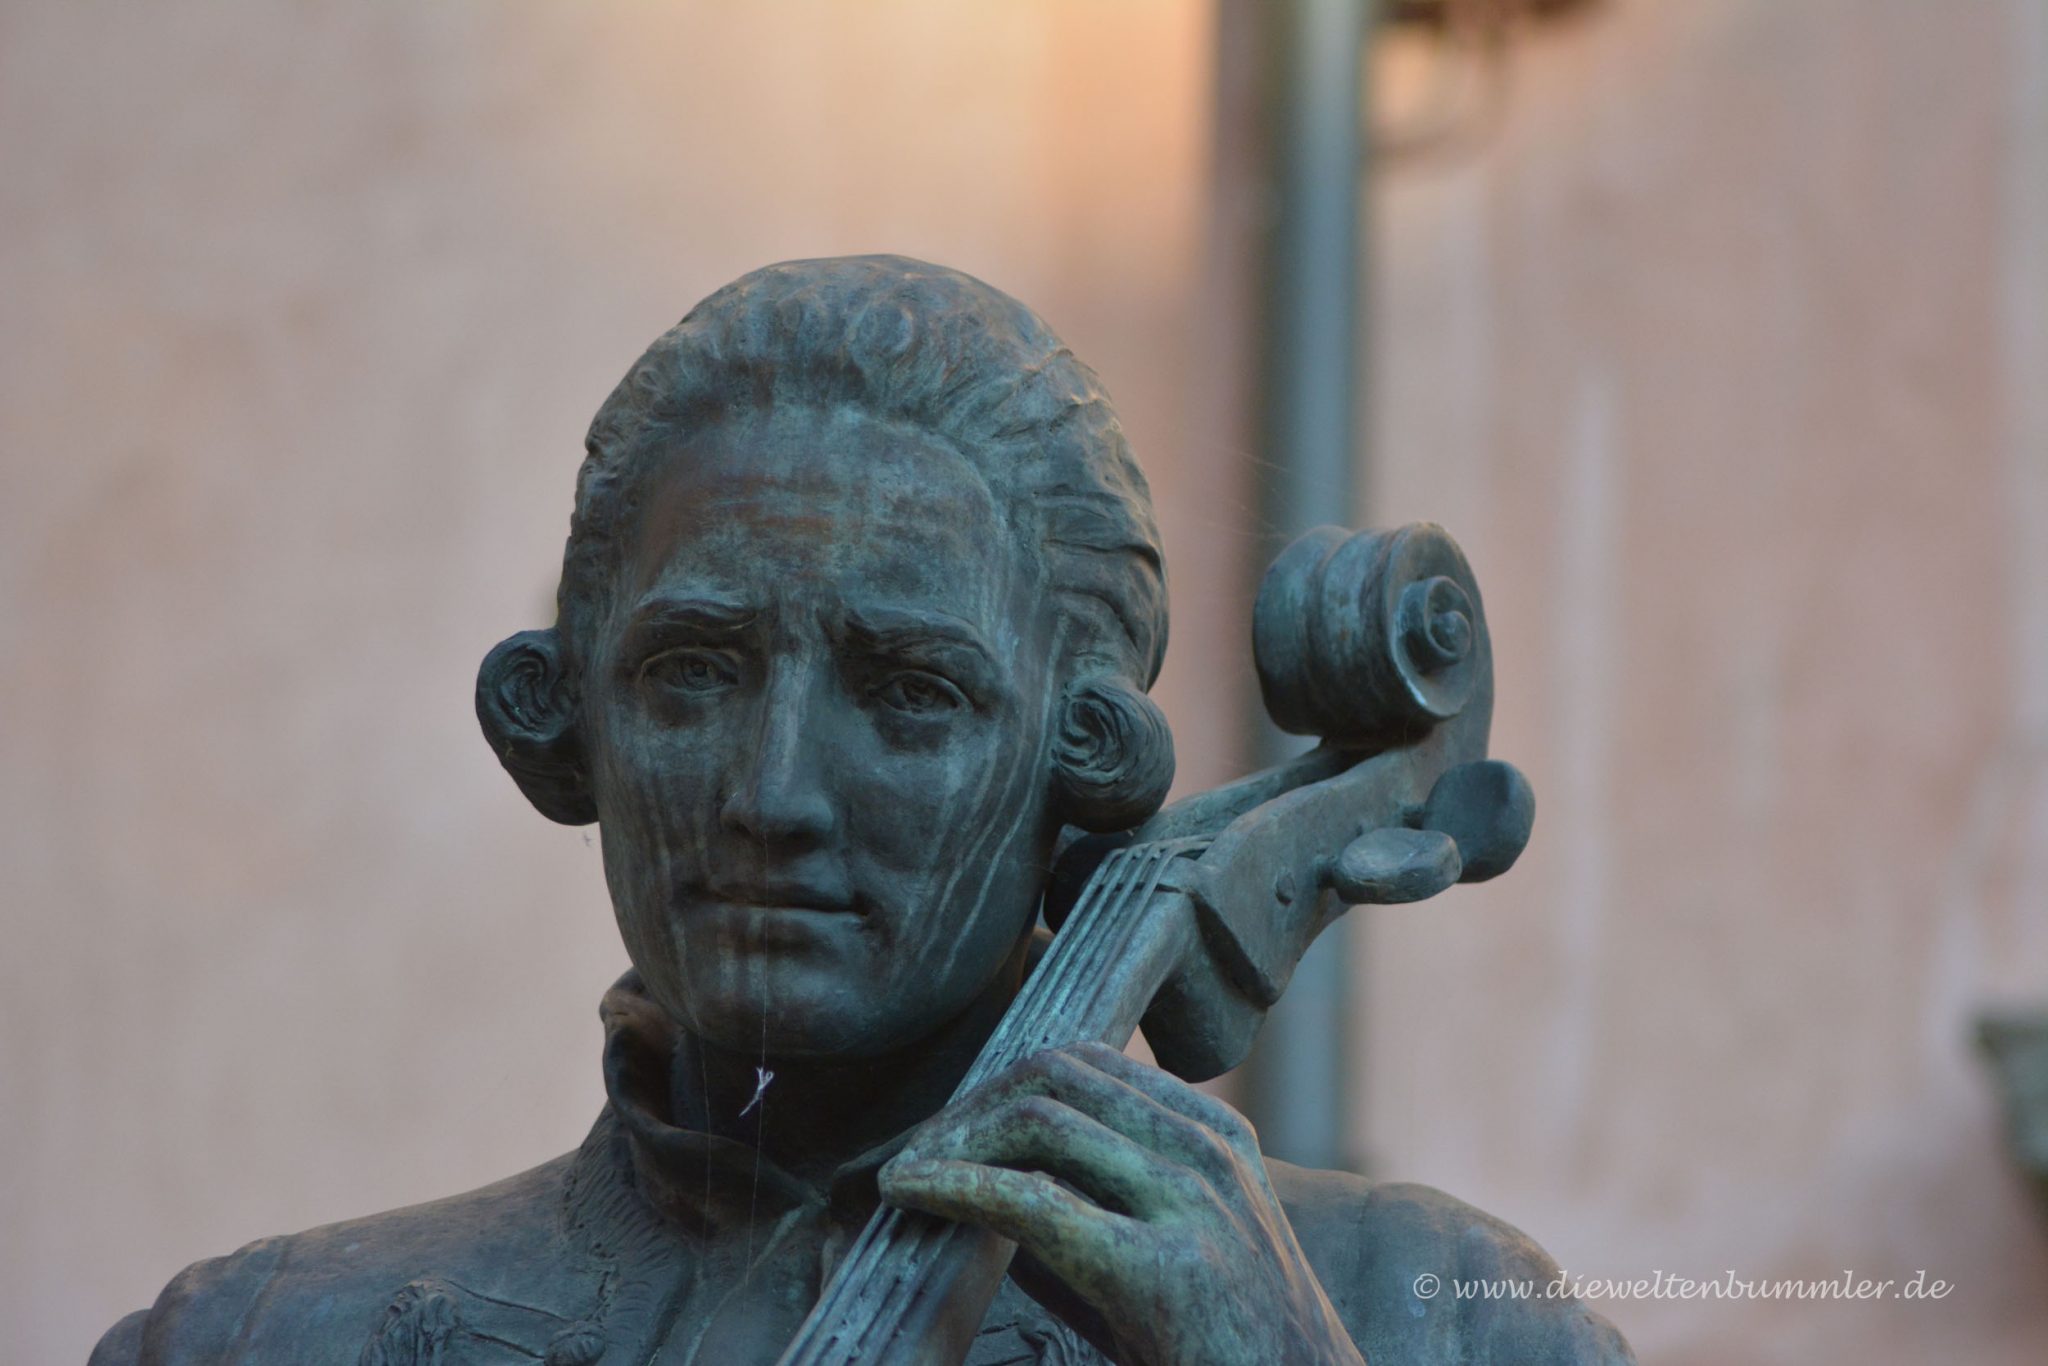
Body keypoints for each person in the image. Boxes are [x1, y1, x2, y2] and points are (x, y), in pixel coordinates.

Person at [93, 256, 1632, 1365]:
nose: (772, 794)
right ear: (570, 731)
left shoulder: (1422, 1310)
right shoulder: (256, 1335)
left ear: (1074, 753)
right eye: (694, 675)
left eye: (910, 692)